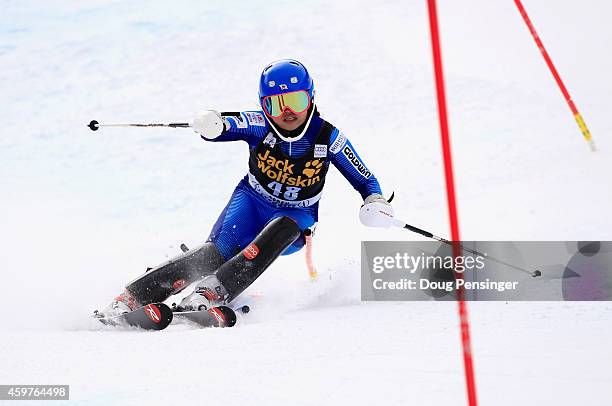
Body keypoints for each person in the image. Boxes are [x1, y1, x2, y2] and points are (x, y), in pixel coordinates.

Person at [98, 59, 396, 318]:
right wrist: (213, 125)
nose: (287, 112)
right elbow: (228, 124)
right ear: (264, 106)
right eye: (276, 104)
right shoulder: (259, 125)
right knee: (214, 254)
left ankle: (212, 292)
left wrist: (375, 200)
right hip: (251, 202)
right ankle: (133, 296)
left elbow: (365, 179)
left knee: (284, 226)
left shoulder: (328, 137)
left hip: (297, 216)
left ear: (311, 99)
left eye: (296, 101)